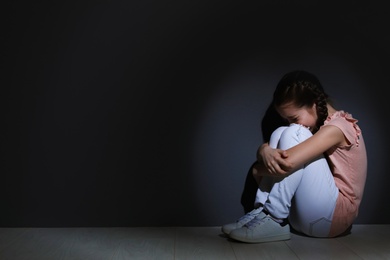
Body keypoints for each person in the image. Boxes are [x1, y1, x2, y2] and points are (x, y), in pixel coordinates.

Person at [221, 70, 367, 243]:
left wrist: (259, 166)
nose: (292, 122)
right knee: (281, 131)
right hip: (306, 217)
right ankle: (263, 213)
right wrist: (263, 150)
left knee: (294, 132)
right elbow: (281, 158)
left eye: (294, 117)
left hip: (334, 219)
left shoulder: (338, 127)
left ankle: (274, 218)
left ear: (314, 104)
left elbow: (288, 162)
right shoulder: (321, 125)